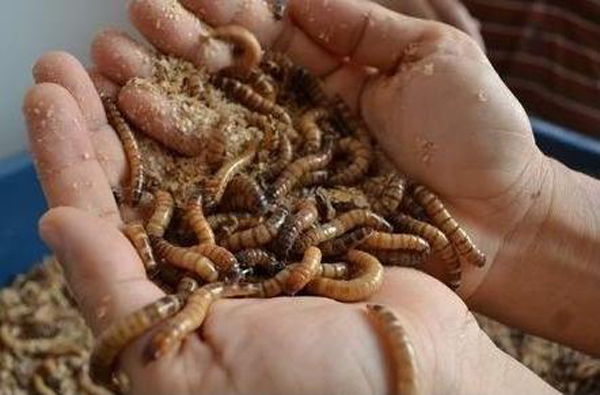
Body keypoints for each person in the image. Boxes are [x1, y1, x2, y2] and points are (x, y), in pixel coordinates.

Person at [22, 0, 600, 394]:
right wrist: (532, 214)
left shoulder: (352, 195)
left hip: (319, 228)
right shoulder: (239, 204)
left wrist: (529, 211)